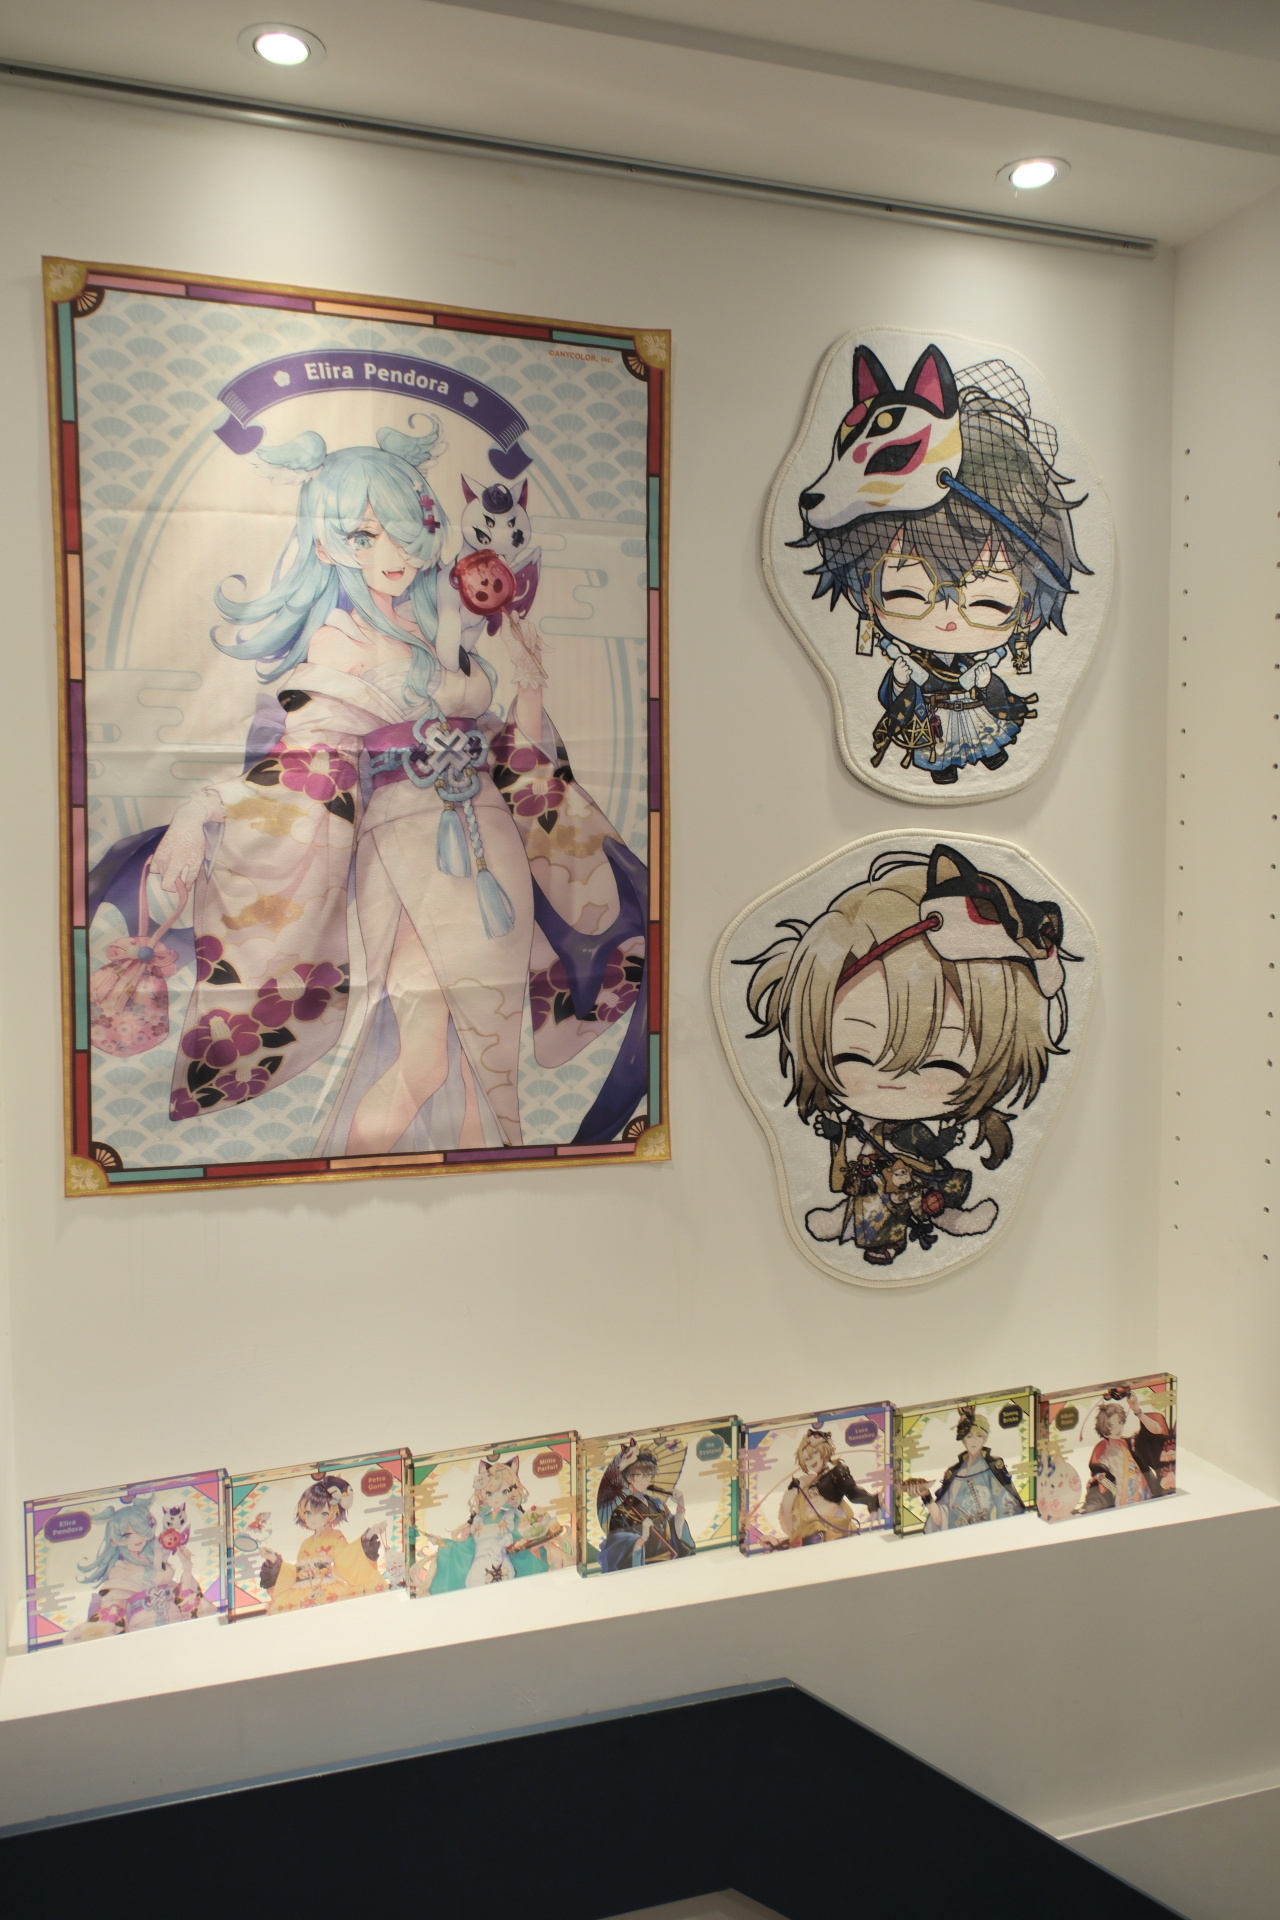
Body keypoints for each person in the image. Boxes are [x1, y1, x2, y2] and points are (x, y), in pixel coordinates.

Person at [129, 419, 645, 1154]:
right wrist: (201, 810)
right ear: (326, 546)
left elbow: (519, 756)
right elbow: (304, 771)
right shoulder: (338, 641)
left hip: (491, 839)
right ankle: (352, 1171)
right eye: (364, 536)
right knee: (423, 1046)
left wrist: (529, 680)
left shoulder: (448, 629)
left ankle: (491, 1177)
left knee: (481, 1052)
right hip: (404, 847)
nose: (394, 553)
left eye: (409, 528)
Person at [743, 842, 1069, 1267]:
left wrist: (944, 1140)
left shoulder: (915, 1133)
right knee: (867, 1197)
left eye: (941, 1063)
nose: (894, 1080)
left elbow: (931, 1146)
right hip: (860, 1191)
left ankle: (949, 1220)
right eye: (854, 1057)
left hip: (922, 1185)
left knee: (926, 1198)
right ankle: (847, 1222)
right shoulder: (858, 1126)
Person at [793, 348, 1088, 786]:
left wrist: (985, 682)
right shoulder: (908, 657)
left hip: (974, 712)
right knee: (936, 747)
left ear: (1026, 609)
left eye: (988, 602)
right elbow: (894, 697)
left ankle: (990, 754)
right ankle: (943, 766)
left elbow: (996, 691)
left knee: (987, 736)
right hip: (930, 720)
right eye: (906, 594)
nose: (947, 619)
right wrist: (900, 681)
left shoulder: (986, 655)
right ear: (866, 597)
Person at [72, 1494, 211, 1636]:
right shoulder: (120, 1570)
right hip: (141, 1627)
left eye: (142, 1531)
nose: (138, 1538)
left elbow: (182, 1594)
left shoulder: (154, 1558)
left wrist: (187, 1567)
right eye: (127, 1535)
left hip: (176, 1619)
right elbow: (115, 1607)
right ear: (114, 1540)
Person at [258, 1473, 385, 1612]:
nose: (313, 1519)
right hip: (302, 1591)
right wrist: (273, 1559)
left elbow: (347, 1559)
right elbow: (296, 1572)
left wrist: (368, 1536)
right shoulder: (305, 1543)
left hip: (327, 1589)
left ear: (333, 1513)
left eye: (323, 1513)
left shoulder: (336, 1536)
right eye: (308, 1512)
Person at [916, 1408, 1025, 1531]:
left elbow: (1008, 1507)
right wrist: (926, 1497)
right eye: (969, 1436)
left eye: (979, 1436)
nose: (974, 1441)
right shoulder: (955, 1473)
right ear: (964, 1439)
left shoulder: (992, 1466)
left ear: (984, 1438)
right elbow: (943, 1518)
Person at [596, 1439, 696, 1571]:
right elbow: (616, 1549)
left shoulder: (657, 1504)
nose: (645, 1480)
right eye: (639, 1475)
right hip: (643, 1569)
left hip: (670, 1562)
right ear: (629, 1478)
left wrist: (680, 1507)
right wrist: (642, 1538)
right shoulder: (620, 1513)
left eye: (648, 1475)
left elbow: (674, 1531)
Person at [778, 1427, 880, 1545]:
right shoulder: (809, 1481)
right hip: (804, 1534)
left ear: (825, 1451)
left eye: (814, 1453)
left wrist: (871, 1500)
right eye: (806, 1459)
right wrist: (794, 1490)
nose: (811, 1461)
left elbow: (852, 1492)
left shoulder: (836, 1473)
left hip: (825, 1535)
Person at [1082, 1386, 1174, 1511]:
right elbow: (1102, 1486)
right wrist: (1113, 1492)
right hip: (1123, 1505)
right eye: (1112, 1426)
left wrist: (1137, 1410)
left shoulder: (1130, 1445)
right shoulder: (1104, 1459)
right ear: (1104, 1432)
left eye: (1120, 1423)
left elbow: (1157, 1430)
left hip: (1146, 1499)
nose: (1118, 1429)